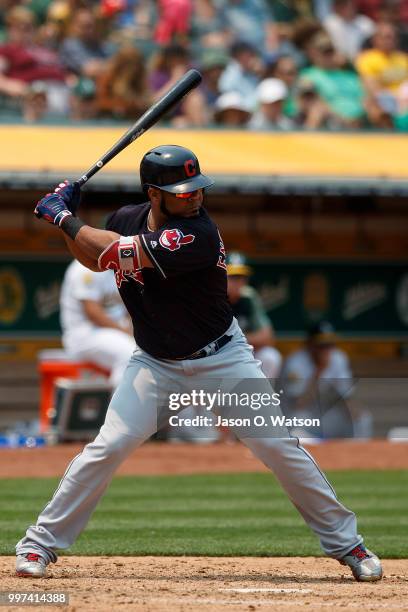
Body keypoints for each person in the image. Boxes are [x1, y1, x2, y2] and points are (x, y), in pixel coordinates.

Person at [15, 145, 382, 583]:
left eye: (195, 189)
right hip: (155, 364)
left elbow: (114, 254)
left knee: (280, 449)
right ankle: (39, 544)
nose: (193, 197)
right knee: (107, 448)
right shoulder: (126, 218)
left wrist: (62, 216)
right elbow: (92, 257)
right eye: (181, 191)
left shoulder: (198, 234)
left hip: (222, 360)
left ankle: (350, 545)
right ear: (153, 194)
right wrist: (68, 224)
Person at [279, 321, 373, 439]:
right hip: (301, 416)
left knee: (362, 418)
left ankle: (357, 453)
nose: (327, 349)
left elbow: (346, 398)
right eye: (322, 345)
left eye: (330, 344)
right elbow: (299, 404)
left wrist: (353, 411)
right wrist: (319, 371)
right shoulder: (295, 363)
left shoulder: (338, 358)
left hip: (325, 415)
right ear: (309, 344)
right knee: (297, 424)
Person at [60, 259, 135, 388]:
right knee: (131, 354)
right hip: (85, 336)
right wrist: (126, 332)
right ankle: (117, 406)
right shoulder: (84, 268)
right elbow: (93, 313)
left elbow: (127, 310)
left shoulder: (116, 268)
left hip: (111, 333)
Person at [226, 252, 282, 378]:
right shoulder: (214, 298)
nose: (238, 282)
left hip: (243, 351)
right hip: (219, 355)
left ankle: (261, 397)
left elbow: (268, 338)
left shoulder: (248, 297)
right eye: (232, 277)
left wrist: (236, 339)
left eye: (241, 277)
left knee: (270, 357)